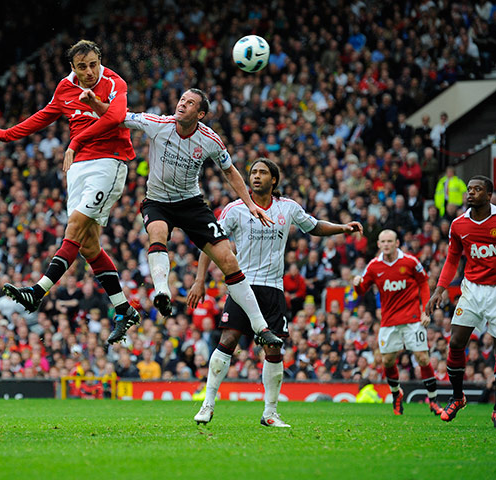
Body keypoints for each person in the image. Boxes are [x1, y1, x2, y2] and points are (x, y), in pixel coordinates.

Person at [85, 88, 282, 349]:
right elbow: (117, 117)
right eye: (181, 100)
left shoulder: (210, 139)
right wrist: (94, 102)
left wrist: (250, 205)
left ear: (200, 114)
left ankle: (261, 327)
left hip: (191, 204)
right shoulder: (158, 124)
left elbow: (230, 171)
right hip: (157, 201)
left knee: (227, 258)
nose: (182, 105)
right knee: (156, 233)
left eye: (190, 103)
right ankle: (162, 291)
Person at [187, 158, 362, 427]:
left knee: (274, 348)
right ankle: (207, 405)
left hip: (274, 289)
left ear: (274, 180)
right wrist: (199, 280)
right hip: (241, 286)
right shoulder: (235, 210)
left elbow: (313, 226)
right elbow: (211, 244)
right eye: (253, 172)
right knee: (229, 339)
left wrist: (342, 228)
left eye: (262, 172)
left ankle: (270, 413)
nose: (256, 177)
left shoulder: (288, 207)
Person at [0, 39, 139, 344]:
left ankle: (38, 290)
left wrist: (74, 142)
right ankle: (124, 308)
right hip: (80, 168)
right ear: (72, 67)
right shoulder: (64, 88)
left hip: (109, 162)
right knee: (88, 246)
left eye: (93, 64)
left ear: (101, 61)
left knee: (75, 226)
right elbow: (42, 116)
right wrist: (6, 135)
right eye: (82, 66)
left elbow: (115, 118)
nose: (89, 71)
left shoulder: (114, 82)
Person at [425, 175, 496, 424]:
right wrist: (439, 290)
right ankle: (457, 396)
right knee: (455, 342)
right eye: (469, 189)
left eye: (477, 189)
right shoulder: (458, 224)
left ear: (489, 195)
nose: (471, 193)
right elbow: (452, 259)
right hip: (472, 289)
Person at [353, 230, 442, 416]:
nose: (386, 244)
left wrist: (425, 310)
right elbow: (362, 290)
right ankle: (396, 394)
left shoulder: (410, 262)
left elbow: (424, 283)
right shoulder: (374, 266)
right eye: (383, 241)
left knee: (422, 357)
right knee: (387, 360)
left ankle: (433, 400)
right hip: (388, 321)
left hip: (412, 320)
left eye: (389, 241)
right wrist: (356, 284)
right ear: (378, 244)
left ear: (397, 243)